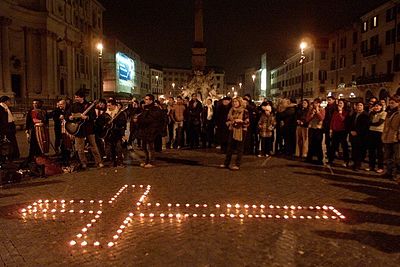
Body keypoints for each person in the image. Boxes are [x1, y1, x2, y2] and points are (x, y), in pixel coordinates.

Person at [66, 89, 103, 170]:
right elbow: (67, 115)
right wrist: (70, 117)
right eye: (75, 97)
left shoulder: (89, 105)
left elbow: (94, 116)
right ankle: (83, 163)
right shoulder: (73, 106)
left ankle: (98, 162)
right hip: (78, 130)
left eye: (77, 97)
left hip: (89, 128)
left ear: (82, 97)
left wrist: (87, 117)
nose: (75, 98)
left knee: (93, 146)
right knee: (80, 148)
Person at [220, 97, 249, 170]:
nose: (235, 103)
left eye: (236, 102)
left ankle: (237, 164)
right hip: (232, 129)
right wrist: (230, 122)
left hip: (241, 130)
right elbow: (228, 120)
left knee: (239, 148)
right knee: (229, 147)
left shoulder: (244, 111)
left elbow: (247, 122)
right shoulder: (231, 110)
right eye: (234, 102)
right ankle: (226, 163)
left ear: (240, 102)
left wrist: (239, 121)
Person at [137, 94, 164, 168]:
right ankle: (146, 161)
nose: (145, 101)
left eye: (147, 99)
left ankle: (151, 162)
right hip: (144, 130)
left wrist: (141, 120)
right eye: (145, 99)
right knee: (144, 147)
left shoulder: (155, 109)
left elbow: (151, 119)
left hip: (151, 130)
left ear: (151, 100)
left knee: (150, 147)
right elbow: (142, 117)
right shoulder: (145, 108)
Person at [382, 95, 400, 182]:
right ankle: (389, 172)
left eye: (393, 103)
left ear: (398, 103)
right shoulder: (389, 112)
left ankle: (396, 174)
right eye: (390, 102)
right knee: (387, 156)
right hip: (387, 137)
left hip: (396, 138)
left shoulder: (399, 112)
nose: (390, 104)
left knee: (397, 158)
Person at [104, 99, 128, 167]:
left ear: (114, 105)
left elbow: (123, 122)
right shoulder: (106, 113)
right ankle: (112, 162)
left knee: (118, 149)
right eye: (107, 105)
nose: (108, 107)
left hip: (117, 133)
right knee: (109, 149)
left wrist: (115, 122)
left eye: (110, 105)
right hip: (108, 133)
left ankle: (120, 162)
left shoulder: (120, 113)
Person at [328, 99, 350, 166]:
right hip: (335, 131)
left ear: (344, 104)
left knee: (344, 146)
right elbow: (332, 121)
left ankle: (346, 161)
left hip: (342, 131)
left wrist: (340, 112)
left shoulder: (346, 112)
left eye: (341, 103)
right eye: (339, 103)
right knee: (333, 146)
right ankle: (330, 160)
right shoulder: (335, 112)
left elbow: (343, 120)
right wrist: (331, 129)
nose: (339, 105)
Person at [348, 102, 369, 171]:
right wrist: (351, 131)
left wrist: (357, 132)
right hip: (353, 135)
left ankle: (358, 165)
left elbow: (365, 126)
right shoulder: (354, 114)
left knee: (360, 151)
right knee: (354, 150)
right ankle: (354, 163)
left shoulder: (365, 115)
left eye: (361, 105)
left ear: (363, 106)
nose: (359, 106)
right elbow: (350, 123)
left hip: (361, 136)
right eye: (358, 105)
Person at [366, 102, 386, 173]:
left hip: (379, 133)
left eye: (378, 106)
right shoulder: (372, 113)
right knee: (371, 150)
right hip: (371, 132)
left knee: (379, 151)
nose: (376, 107)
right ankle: (371, 166)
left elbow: (379, 123)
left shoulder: (384, 113)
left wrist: (371, 123)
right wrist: (371, 112)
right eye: (375, 106)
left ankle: (380, 167)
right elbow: (368, 121)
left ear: (381, 107)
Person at [306, 98, 325, 165]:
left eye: (317, 103)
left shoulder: (322, 110)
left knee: (318, 144)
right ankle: (309, 157)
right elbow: (307, 119)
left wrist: (317, 112)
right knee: (310, 143)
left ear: (319, 104)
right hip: (311, 128)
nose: (315, 104)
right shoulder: (311, 110)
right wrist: (312, 114)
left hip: (318, 128)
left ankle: (320, 159)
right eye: (314, 103)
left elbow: (322, 118)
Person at [0, 96, 19, 161]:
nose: (10, 102)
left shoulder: (7, 108)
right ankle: (5, 157)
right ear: (5, 101)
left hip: (10, 128)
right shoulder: (1, 108)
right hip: (4, 129)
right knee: (5, 144)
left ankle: (13, 156)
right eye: (9, 101)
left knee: (12, 142)